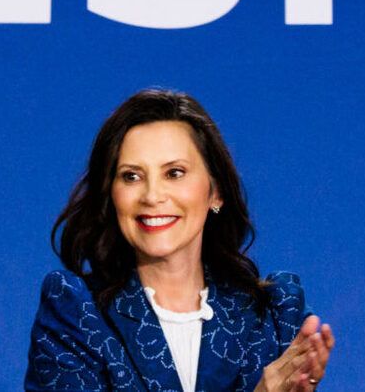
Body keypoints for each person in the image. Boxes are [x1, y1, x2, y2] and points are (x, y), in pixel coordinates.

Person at [26, 89, 337, 392]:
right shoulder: (77, 312)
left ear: (215, 191)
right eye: (132, 176)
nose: (152, 196)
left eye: (174, 173)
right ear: (112, 194)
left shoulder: (274, 315)